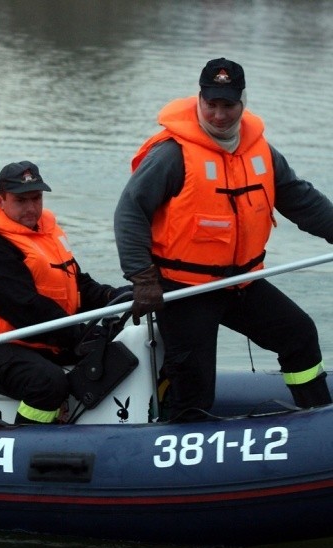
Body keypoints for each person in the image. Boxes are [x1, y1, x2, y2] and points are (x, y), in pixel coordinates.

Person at [114, 57, 333, 422]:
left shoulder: (261, 152)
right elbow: (130, 212)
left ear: (242, 103)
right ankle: (177, 441)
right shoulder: (171, 154)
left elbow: (302, 200)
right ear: (199, 99)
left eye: (227, 105)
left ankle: (317, 418)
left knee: (298, 334)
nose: (218, 115)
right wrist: (142, 277)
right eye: (210, 104)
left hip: (239, 283)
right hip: (185, 290)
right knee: (195, 385)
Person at [0, 160, 131, 424]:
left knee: (121, 351)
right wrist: (79, 336)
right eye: (21, 201)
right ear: (0, 201)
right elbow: (24, 308)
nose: (32, 208)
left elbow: (78, 283)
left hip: (38, 340)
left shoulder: (45, 234)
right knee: (47, 383)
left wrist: (114, 297)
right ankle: (25, 445)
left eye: (36, 198)